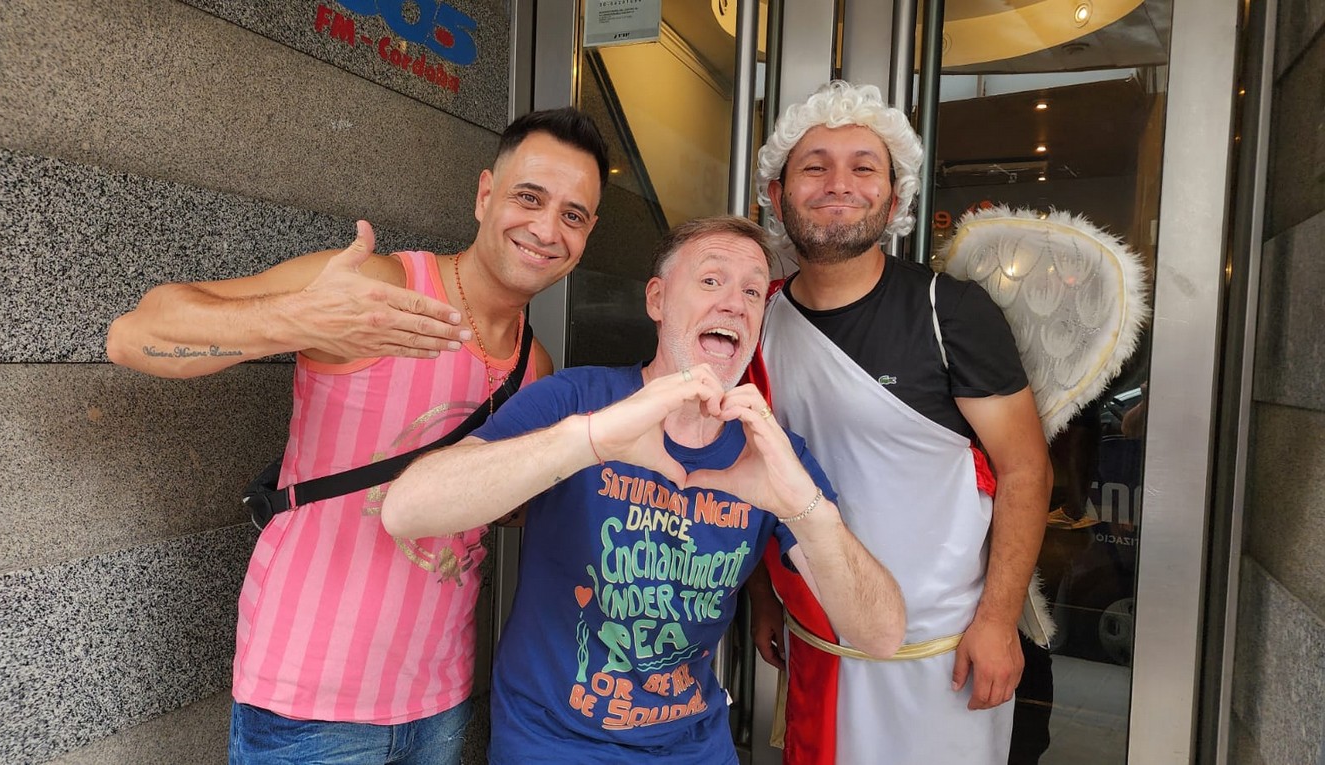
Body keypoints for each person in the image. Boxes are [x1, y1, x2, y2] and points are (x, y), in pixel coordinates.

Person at [105, 107, 610, 765]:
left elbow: (488, 507)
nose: (546, 229)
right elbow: (135, 335)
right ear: (485, 196)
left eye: (572, 215)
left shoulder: (531, 363)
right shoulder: (381, 286)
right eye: (529, 197)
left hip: (439, 698)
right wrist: (296, 319)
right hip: (309, 703)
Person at [379, 216, 906, 764]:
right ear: (657, 299)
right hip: (553, 744)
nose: (735, 303)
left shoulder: (772, 452)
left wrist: (807, 511)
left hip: (693, 745)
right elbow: (408, 508)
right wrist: (590, 440)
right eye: (710, 281)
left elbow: (880, 635)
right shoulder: (579, 399)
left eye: (752, 290)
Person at [751, 80, 1053, 764]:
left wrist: (1000, 621)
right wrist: (765, 596)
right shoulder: (757, 318)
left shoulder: (953, 313)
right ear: (777, 194)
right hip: (818, 637)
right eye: (814, 165)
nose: (839, 183)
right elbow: (755, 473)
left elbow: (1025, 468)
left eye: (864, 166)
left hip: (941, 654)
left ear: (894, 197)